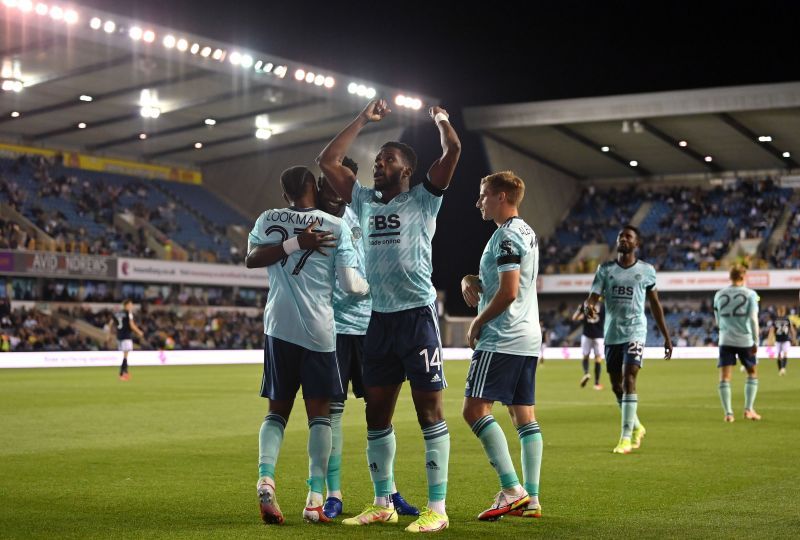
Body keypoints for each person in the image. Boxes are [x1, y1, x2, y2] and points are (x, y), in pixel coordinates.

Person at [317, 98, 461, 533]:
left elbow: (452, 152)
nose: (378, 164)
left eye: (388, 159)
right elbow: (328, 160)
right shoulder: (363, 201)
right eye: (378, 159)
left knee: (428, 412)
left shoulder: (424, 199)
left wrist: (441, 119)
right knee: (376, 414)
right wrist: (362, 118)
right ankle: (383, 502)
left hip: (416, 318)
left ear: (406, 170)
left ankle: (438, 508)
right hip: (377, 320)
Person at [246, 166, 368, 525]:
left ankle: (266, 478)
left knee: (276, 412)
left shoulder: (267, 218)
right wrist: (371, 286)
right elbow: (349, 284)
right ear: (315, 187)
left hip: (277, 327)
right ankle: (315, 498)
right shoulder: (334, 226)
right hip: (318, 332)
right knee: (320, 417)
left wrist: (292, 243)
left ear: (285, 195)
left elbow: (252, 259)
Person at [316, 158, 419, 519]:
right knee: (334, 414)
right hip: (338, 329)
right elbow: (348, 282)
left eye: (342, 180)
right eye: (329, 181)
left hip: (375, 324)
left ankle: (387, 492)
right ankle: (334, 493)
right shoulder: (325, 224)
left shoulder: (365, 211)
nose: (336, 188)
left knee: (381, 414)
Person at [460, 171, 543, 521]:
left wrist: (478, 321)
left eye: (484, 194)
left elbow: (508, 291)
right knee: (524, 416)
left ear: (502, 196)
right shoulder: (526, 232)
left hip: (502, 337)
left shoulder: (506, 237)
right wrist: (470, 279)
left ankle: (512, 489)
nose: (479, 201)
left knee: (474, 410)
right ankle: (532, 499)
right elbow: (504, 282)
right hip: (527, 338)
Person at [583, 226, 673, 454]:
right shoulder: (605, 270)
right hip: (612, 332)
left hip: (635, 331)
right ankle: (636, 426)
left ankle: (625, 437)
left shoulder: (646, 270)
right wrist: (590, 308)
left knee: (629, 377)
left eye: (628, 237)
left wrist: (666, 336)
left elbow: (655, 304)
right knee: (616, 386)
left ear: (636, 244)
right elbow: (592, 298)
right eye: (621, 236)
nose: (623, 239)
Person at [713, 265, 762, 422]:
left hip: (726, 339)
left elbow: (717, 319)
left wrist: (724, 330)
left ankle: (728, 414)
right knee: (752, 373)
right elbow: (754, 319)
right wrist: (756, 341)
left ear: (730, 277)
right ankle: (748, 410)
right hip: (745, 339)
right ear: (744, 277)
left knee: (725, 377)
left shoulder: (719, 294)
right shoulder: (750, 294)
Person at [571, 301, 605, 389]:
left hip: (587, 334)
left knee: (585, 356)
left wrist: (581, 314)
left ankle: (586, 373)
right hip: (599, 335)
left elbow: (574, 318)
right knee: (598, 359)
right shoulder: (603, 306)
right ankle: (596, 384)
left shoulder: (585, 305)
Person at [112, 299, 144, 381]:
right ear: (126, 305)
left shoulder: (117, 313)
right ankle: (123, 373)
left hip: (119, 336)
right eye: (130, 305)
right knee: (125, 356)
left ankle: (123, 372)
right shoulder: (128, 313)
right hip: (126, 336)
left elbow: (111, 324)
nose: (131, 306)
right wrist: (139, 332)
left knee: (124, 355)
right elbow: (131, 325)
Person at [767, 305, 795, 376]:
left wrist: (769, 340)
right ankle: (783, 368)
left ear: (778, 311)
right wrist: (794, 338)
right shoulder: (787, 319)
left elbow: (771, 331)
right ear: (784, 311)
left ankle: (780, 369)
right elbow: (792, 330)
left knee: (779, 355)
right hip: (785, 339)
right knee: (785, 354)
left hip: (778, 339)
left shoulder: (775, 320)